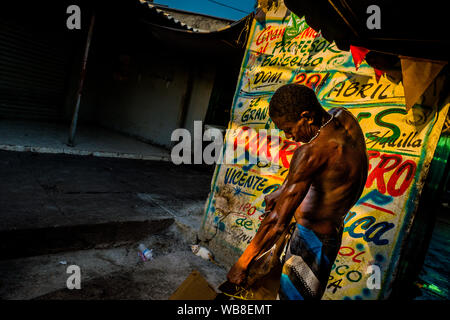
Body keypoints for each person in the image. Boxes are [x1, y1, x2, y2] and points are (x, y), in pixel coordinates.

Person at [226, 84, 368, 300]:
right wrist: (283, 189)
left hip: (311, 243)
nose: (289, 136)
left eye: (289, 129)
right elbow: (319, 172)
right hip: (328, 235)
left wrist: (242, 264)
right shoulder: (343, 118)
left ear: (307, 117)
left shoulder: (310, 153)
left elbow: (276, 223)